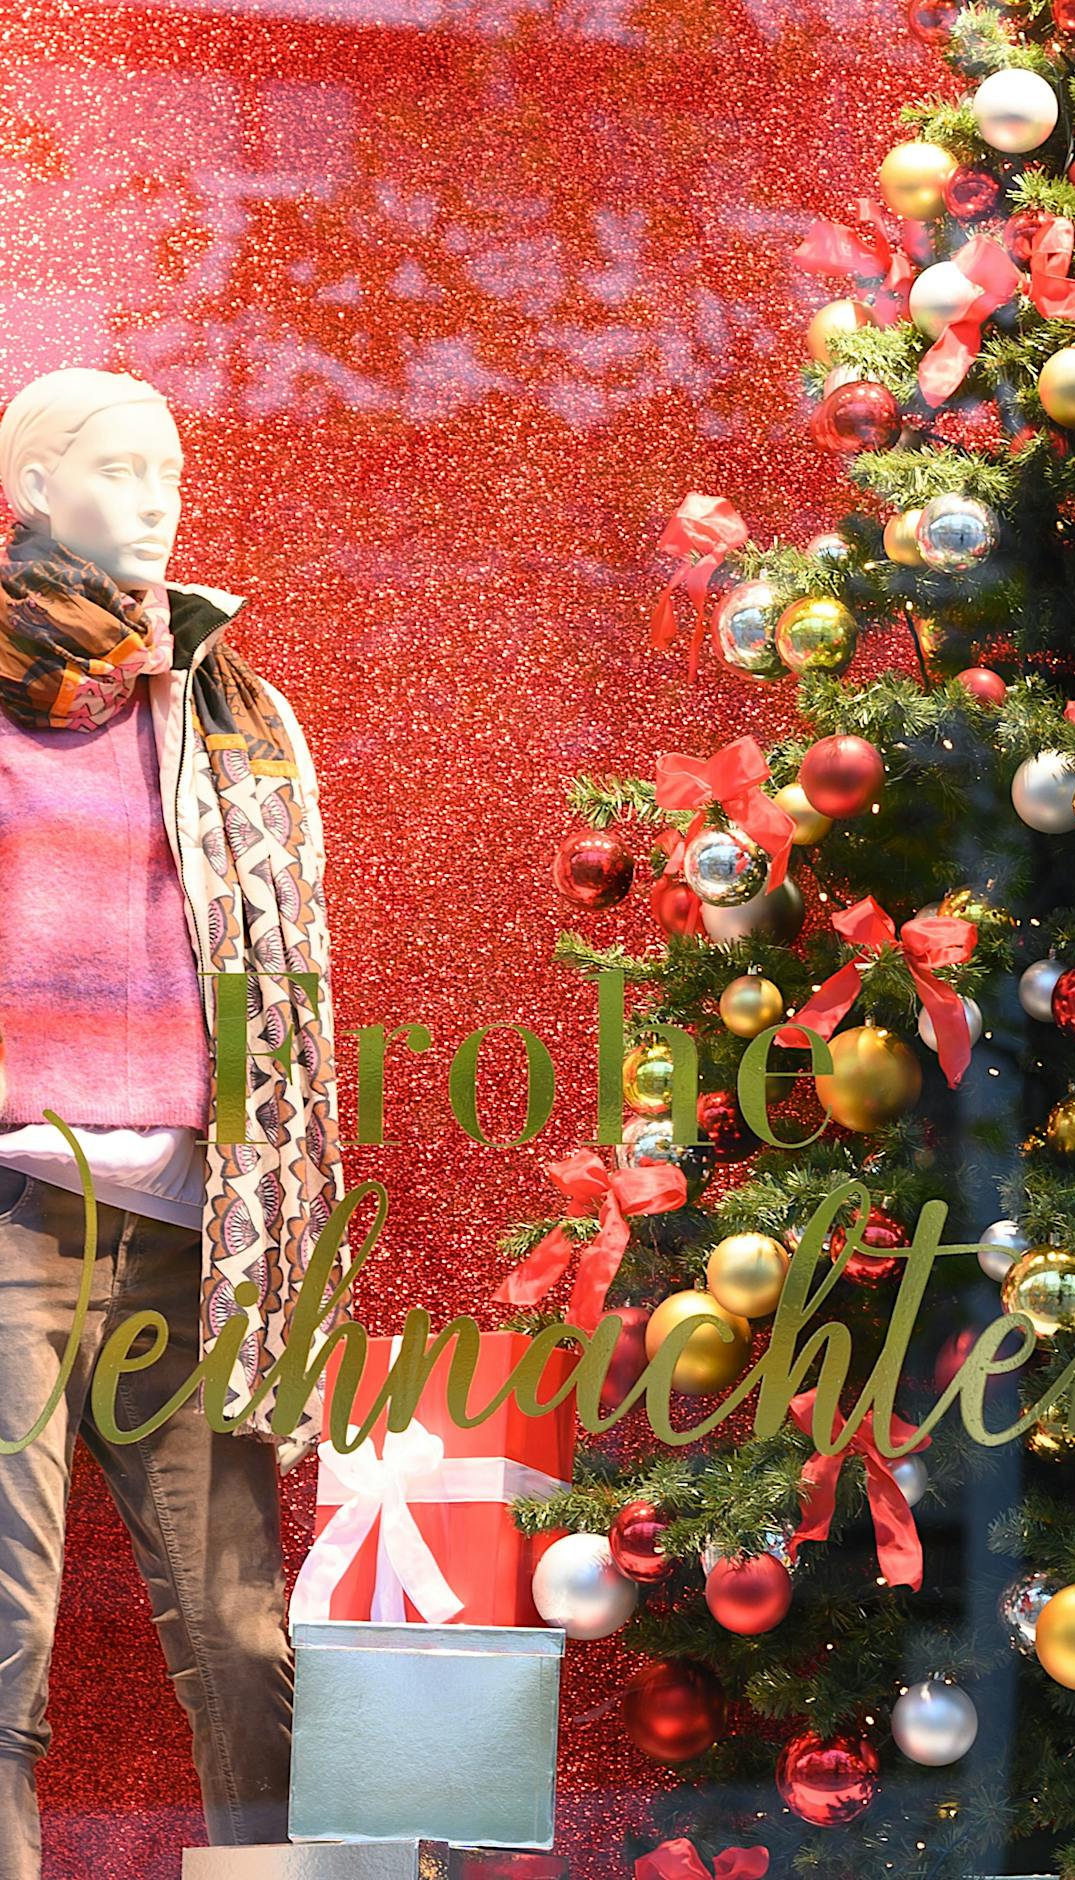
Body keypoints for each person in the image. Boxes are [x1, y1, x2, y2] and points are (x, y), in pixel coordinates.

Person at [0, 368, 347, 1869]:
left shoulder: (232, 708)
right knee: (2, 1646)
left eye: (171, 471)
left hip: (191, 1228)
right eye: (121, 469)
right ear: (31, 490)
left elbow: (294, 982)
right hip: (13, 1215)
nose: (158, 498)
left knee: (240, 1634)